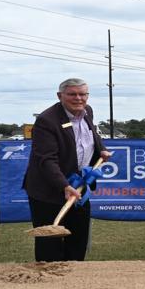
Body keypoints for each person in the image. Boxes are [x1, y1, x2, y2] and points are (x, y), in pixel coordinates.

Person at [24, 78, 109, 261]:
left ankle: (74, 281)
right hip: (49, 190)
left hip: (79, 187)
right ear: (60, 96)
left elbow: (91, 133)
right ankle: (48, 283)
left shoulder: (87, 111)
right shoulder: (47, 120)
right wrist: (63, 185)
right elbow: (46, 159)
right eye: (72, 94)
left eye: (83, 94)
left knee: (78, 240)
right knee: (50, 244)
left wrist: (101, 149)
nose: (78, 98)